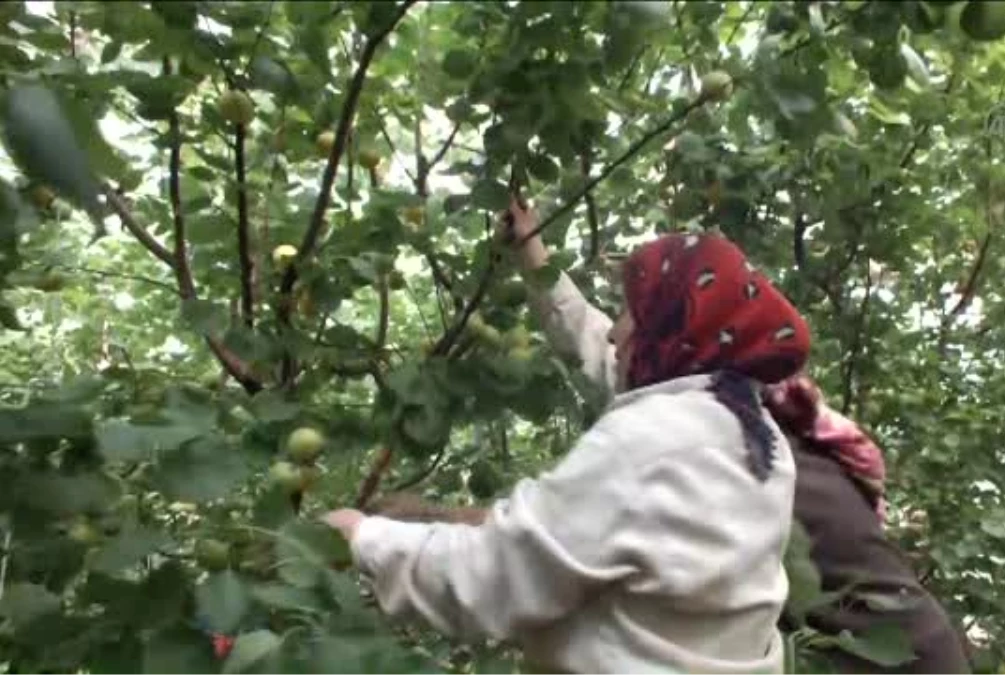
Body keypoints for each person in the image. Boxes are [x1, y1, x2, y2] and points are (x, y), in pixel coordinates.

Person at [325, 200, 969, 674]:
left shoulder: (662, 440)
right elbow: (601, 350)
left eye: (633, 310)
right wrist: (534, 255)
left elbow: (495, 579)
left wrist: (367, 537)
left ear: (673, 329)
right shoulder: (738, 423)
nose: (615, 331)